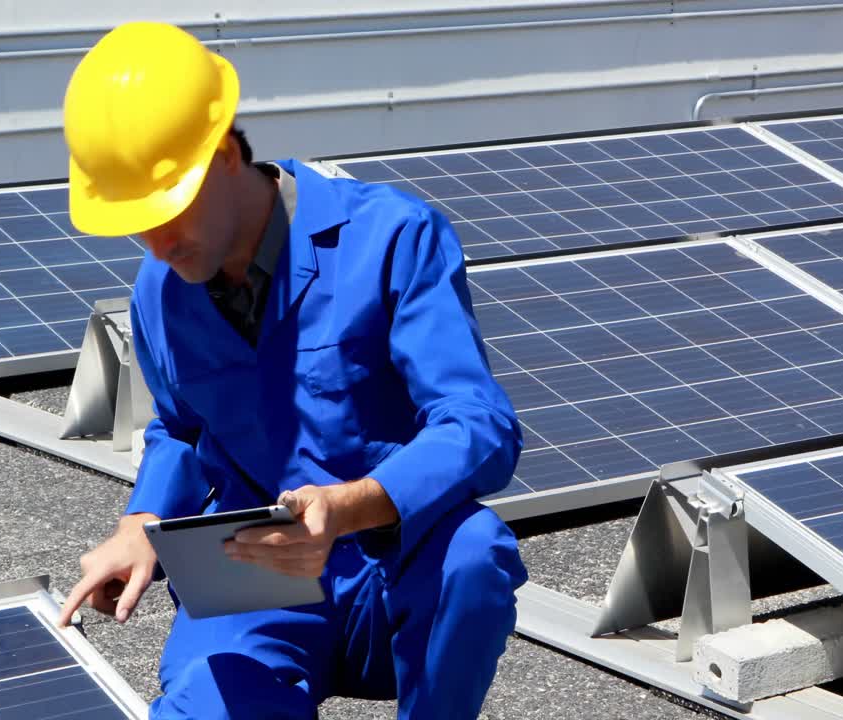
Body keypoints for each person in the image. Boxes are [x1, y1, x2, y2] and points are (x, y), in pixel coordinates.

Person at [55, 21, 528, 720]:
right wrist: (143, 522)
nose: (156, 243)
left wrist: (349, 507)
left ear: (222, 155)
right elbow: (182, 432)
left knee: (474, 555)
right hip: (256, 580)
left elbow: (481, 426)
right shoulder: (160, 291)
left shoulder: (393, 238)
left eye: (167, 210)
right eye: (136, 222)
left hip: (388, 573)